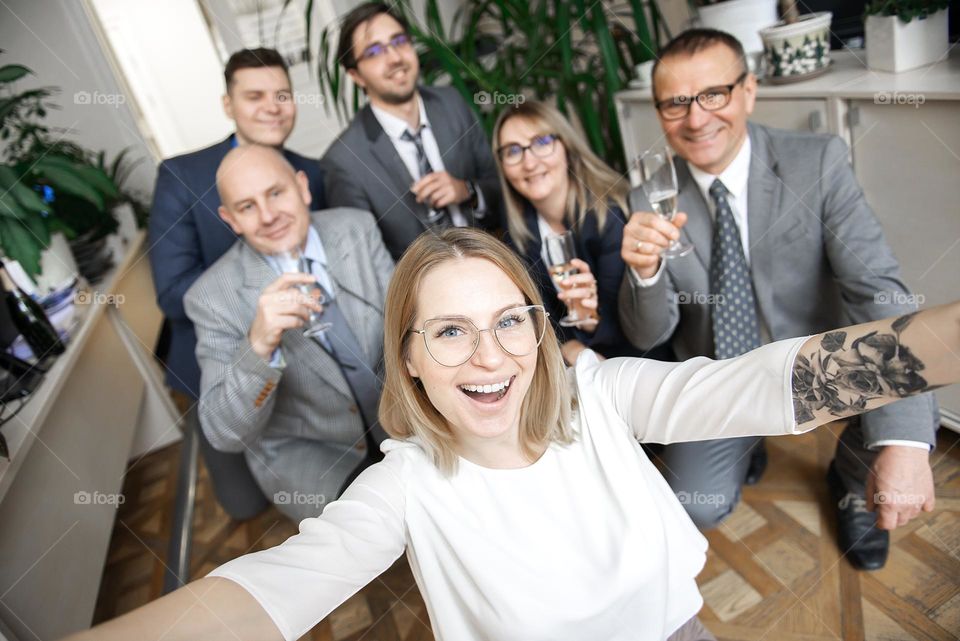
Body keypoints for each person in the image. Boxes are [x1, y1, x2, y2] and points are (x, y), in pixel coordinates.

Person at [63, 227, 960, 641]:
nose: (489, 354)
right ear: (410, 359)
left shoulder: (598, 395)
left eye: (508, 321)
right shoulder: (404, 486)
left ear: (538, 329)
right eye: (450, 330)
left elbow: (763, 382)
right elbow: (260, 597)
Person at [617, 28, 939, 570]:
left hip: (818, 362)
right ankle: (748, 441)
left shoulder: (817, 162)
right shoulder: (648, 198)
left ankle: (849, 478)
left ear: (748, 91)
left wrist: (903, 445)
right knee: (696, 505)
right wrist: (644, 274)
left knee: (914, 380)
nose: (696, 119)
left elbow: (878, 290)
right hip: (721, 375)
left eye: (713, 94)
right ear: (659, 113)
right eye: (676, 103)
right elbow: (649, 334)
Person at [148, 47, 326, 518]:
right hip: (217, 363)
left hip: (308, 360)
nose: (272, 107)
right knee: (245, 504)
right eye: (255, 96)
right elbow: (171, 292)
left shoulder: (313, 171)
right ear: (228, 105)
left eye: (282, 95)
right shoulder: (182, 177)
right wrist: (262, 305)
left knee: (313, 477)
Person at [183, 144, 393, 522]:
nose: (268, 216)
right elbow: (225, 433)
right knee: (379, 526)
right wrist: (259, 345)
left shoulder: (357, 227)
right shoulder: (210, 297)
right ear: (230, 219)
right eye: (247, 207)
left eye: (276, 193)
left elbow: (408, 326)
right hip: (319, 454)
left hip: (400, 420)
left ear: (303, 188)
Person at [494, 100, 672, 365]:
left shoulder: (611, 216)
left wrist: (590, 322)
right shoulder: (516, 234)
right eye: (513, 151)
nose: (529, 162)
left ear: (566, 146)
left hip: (642, 365)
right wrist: (568, 347)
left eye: (541, 142)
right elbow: (536, 320)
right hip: (577, 371)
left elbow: (639, 329)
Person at [321, 2, 501, 260]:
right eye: (374, 51)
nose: (395, 58)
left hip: (490, 259)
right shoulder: (344, 161)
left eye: (399, 41)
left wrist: (468, 191)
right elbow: (366, 261)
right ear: (355, 75)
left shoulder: (452, 103)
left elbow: (499, 185)